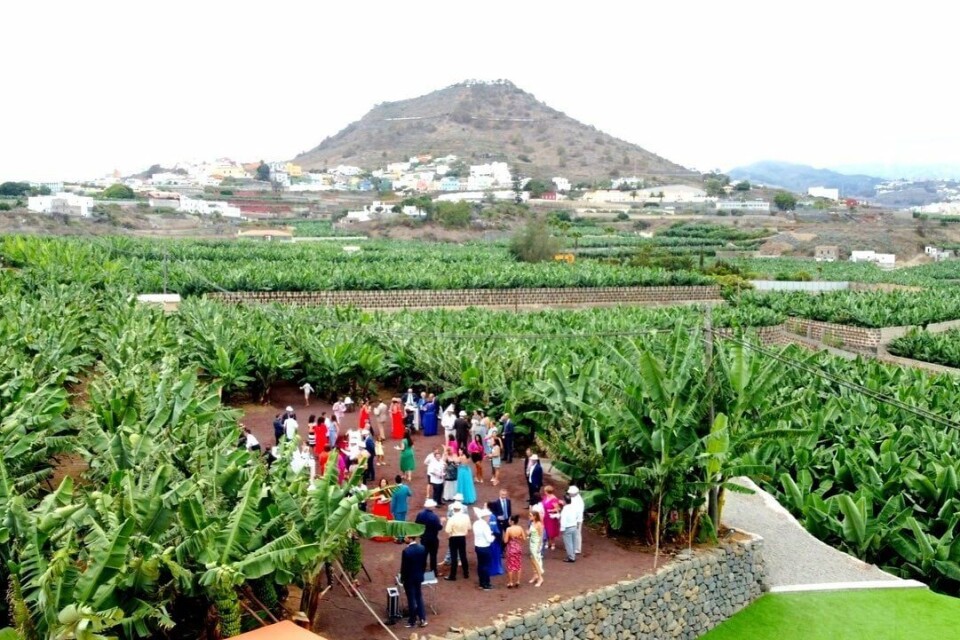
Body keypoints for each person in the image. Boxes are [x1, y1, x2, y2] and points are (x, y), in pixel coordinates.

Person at [399, 536, 428, 629]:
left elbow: (404, 568)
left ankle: (412, 621)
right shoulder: (422, 548)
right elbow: (424, 564)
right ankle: (423, 619)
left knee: (411, 599)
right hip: (419, 576)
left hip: (409, 578)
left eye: (406, 537)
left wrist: (402, 578)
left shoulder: (406, 551)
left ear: (410, 538)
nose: (404, 539)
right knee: (419, 597)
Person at [414, 498, 443, 574]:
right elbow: (439, 528)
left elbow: (416, 524)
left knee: (424, 554)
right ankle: (434, 571)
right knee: (433, 555)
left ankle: (422, 569)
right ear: (431, 507)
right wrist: (442, 522)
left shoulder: (420, 514)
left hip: (424, 537)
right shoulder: (434, 517)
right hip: (433, 538)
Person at [444, 502, 470, 581]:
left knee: (454, 556)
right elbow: (469, 527)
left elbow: (447, 530)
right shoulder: (466, 517)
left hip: (453, 538)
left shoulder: (452, 518)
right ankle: (466, 573)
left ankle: (453, 575)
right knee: (463, 555)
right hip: (462, 537)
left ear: (453, 510)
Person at [473, 506, 495, 590]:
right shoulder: (485, 526)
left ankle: (481, 582)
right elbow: (489, 539)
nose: (489, 518)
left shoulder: (476, 523)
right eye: (488, 516)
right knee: (486, 566)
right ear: (485, 517)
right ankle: (486, 583)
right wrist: (493, 537)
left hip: (478, 546)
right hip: (485, 547)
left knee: (481, 565)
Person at [503, 515, 527, 588]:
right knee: (518, 565)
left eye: (509, 520)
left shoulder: (508, 529)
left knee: (510, 566)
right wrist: (518, 537)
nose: (508, 521)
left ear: (512, 521)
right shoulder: (520, 528)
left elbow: (505, 540)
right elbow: (524, 538)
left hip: (511, 549)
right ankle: (518, 581)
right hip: (518, 547)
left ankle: (510, 582)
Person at [528, 510, 545, 587]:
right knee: (532, 559)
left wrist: (539, 546)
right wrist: (528, 533)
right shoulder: (532, 523)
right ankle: (535, 575)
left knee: (536, 561)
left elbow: (541, 536)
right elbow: (531, 533)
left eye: (531, 515)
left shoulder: (539, 524)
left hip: (536, 544)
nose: (529, 517)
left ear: (535, 516)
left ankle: (540, 578)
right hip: (532, 543)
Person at [541, 486, 561, 551]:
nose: (544, 492)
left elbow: (558, 509)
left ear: (547, 492)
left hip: (550, 517)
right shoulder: (545, 497)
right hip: (545, 516)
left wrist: (551, 510)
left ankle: (552, 543)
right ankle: (547, 542)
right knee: (545, 530)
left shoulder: (554, 499)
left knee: (551, 530)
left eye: (545, 491)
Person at [560, 495, 578, 563]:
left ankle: (571, 557)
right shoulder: (573, 507)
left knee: (568, 543)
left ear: (565, 501)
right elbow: (576, 515)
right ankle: (573, 555)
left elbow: (563, 520)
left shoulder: (565, 509)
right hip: (574, 526)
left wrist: (562, 529)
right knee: (573, 542)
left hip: (568, 527)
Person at [569, 485, 585, 555]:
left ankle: (577, 549)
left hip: (577, 520)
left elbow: (579, 512)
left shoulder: (579, 502)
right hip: (572, 519)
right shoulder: (573, 498)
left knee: (577, 534)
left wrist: (577, 521)